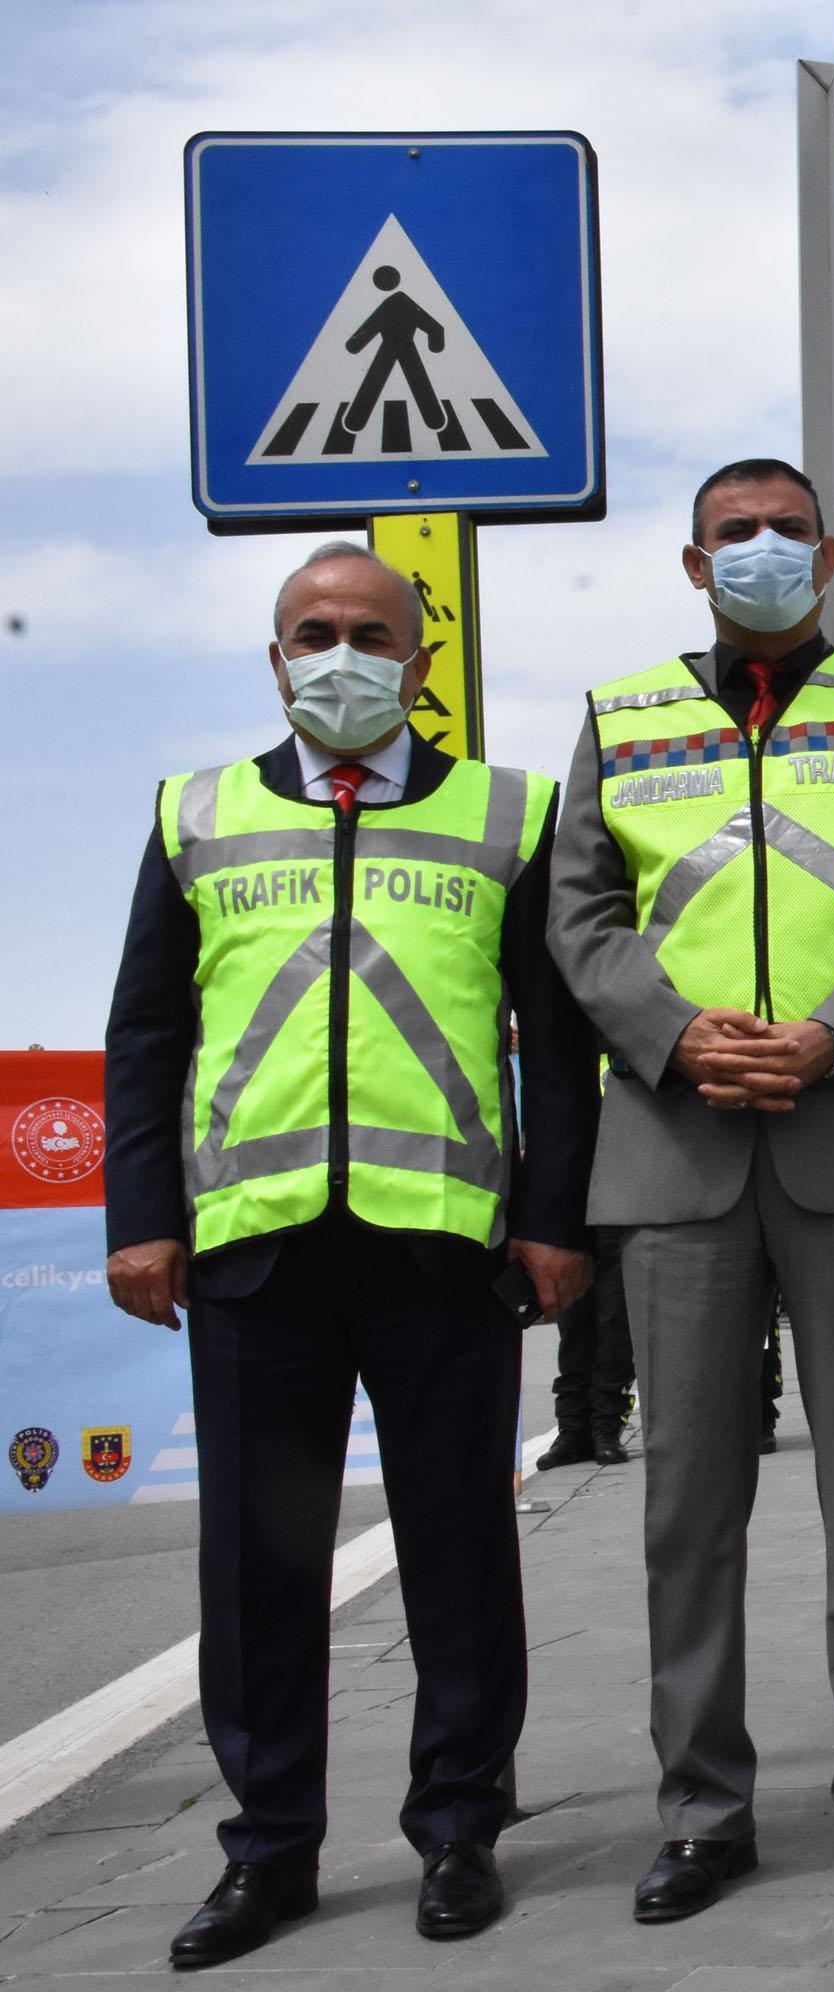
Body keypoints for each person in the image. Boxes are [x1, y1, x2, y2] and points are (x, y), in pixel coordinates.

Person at [102, 542, 597, 1964]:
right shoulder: (194, 815)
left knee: (458, 1553)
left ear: (421, 663)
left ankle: (457, 1831)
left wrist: (553, 1221)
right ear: (274, 658)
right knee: (257, 1571)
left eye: (370, 633)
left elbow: (555, 1053)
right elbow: (147, 1034)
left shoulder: (509, 814)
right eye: (312, 632)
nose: (340, 654)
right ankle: (269, 1852)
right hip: (252, 1256)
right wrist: (142, 1216)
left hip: (439, 1252)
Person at [550, 457, 834, 1920]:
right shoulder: (621, 720)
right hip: (674, 1151)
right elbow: (582, 915)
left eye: (789, 533)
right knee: (687, 1500)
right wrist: (676, 1038)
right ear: (693, 566)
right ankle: (701, 1809)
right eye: (735, 536)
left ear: (831, 552)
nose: (764, 554)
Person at [535, 1215, 638, 1469]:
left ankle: (606, 1428)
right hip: (572, 1213)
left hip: (617, 1212)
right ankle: (573, 1431)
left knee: (615, 1323)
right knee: (572, 1325)